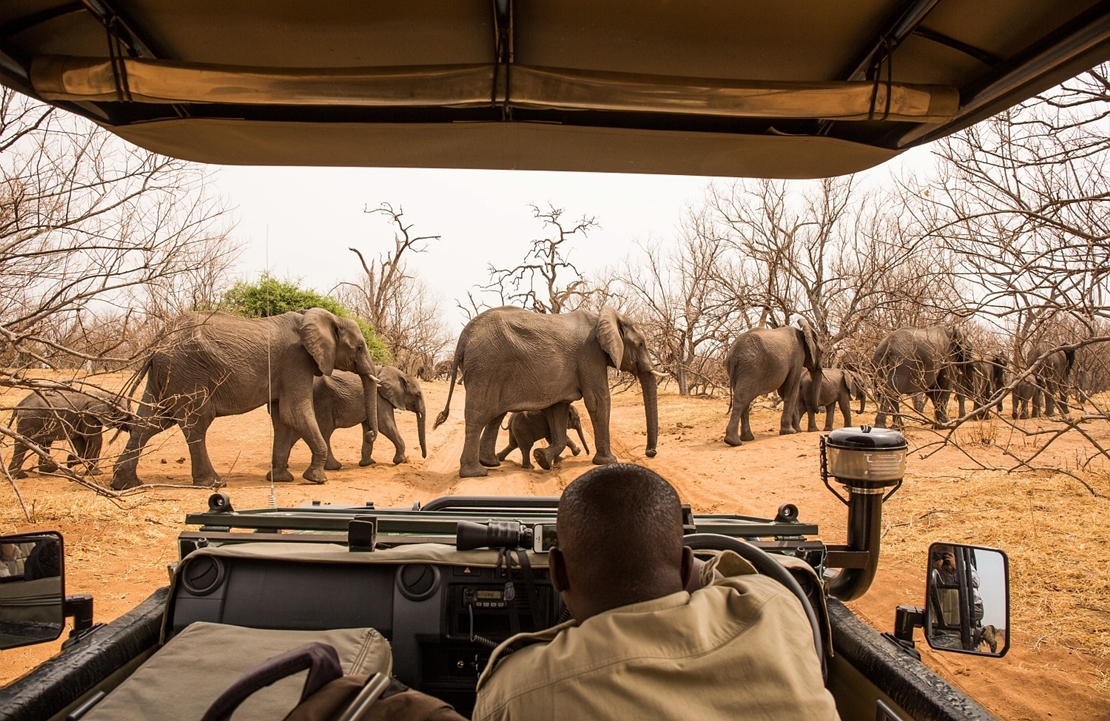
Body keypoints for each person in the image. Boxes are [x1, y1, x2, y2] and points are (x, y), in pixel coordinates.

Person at [472, 464, 840, 720]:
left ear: (557, 572)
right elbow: (719, 573)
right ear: (683, 566)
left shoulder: (514, 694)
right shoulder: (773, 608)